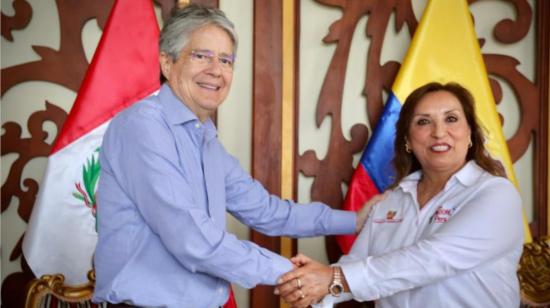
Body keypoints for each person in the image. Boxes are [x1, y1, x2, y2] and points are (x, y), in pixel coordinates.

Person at [92, 4, 373, 308]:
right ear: (167, 62)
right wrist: (295, 275)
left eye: (226, 60)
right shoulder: (142, 127)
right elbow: (193, 240)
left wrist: (354, 221)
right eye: (201, 56)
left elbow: (267, 212)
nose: (216, 70)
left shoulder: (205, 138)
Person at [275, 82, 524, 308]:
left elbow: (430, 260)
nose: (439, 132)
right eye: (423, 122)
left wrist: (331, 279)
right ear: (407, 140)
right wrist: (308, 287)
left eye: (451, 119)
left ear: (470, 133)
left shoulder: (496, 194)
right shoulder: (392, 199)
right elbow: (355, 263)